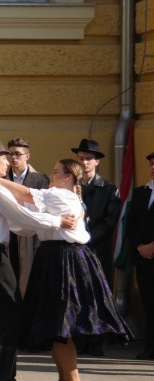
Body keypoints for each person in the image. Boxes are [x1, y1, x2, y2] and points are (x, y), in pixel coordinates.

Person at [0, 159, 131, 381]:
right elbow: (27, 217)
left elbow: (28, 194)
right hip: (54, 258)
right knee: (52, 324)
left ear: (68, 177)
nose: (51, 174)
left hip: (65, 260)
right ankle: (65, 380)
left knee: (60, 324)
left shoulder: (62, 195)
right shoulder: (58, 196)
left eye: (56, 171)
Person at [0, 135, 77, 381]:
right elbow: (20, 216)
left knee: (11, 317)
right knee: (14, 318)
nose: (7, 162)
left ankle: (6, 378)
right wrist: (56, 221)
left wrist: (46, 226)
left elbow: (18, 226)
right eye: (4, 158)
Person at [72, 138, 120, 356]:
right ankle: (79, 338)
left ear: (97, 162)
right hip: (74, 248)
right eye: (81, 158)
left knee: (98, 295)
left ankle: (97, 339)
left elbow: (110, 222)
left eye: (89, 159)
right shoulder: (71, 186)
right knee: (77, 294)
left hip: (96, 249)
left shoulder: (109, 189)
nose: (84, 163)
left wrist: (87, 238)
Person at [6, 138, 49, 296]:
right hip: (7, 233)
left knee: (30, 277)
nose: (13, 158)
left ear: (27, 156)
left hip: (31, 236)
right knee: (9, 276)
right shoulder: (2, 178)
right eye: (10, 154)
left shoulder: (40, 179)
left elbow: (44, 208)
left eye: (17, 154)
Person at [128, 151, 154, 360]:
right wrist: (140, 246)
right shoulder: (141, 193)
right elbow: (132, 224)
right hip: (144, 259)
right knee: (148, 303)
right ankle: (150, 346)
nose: (153, 168)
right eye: (151, 164)